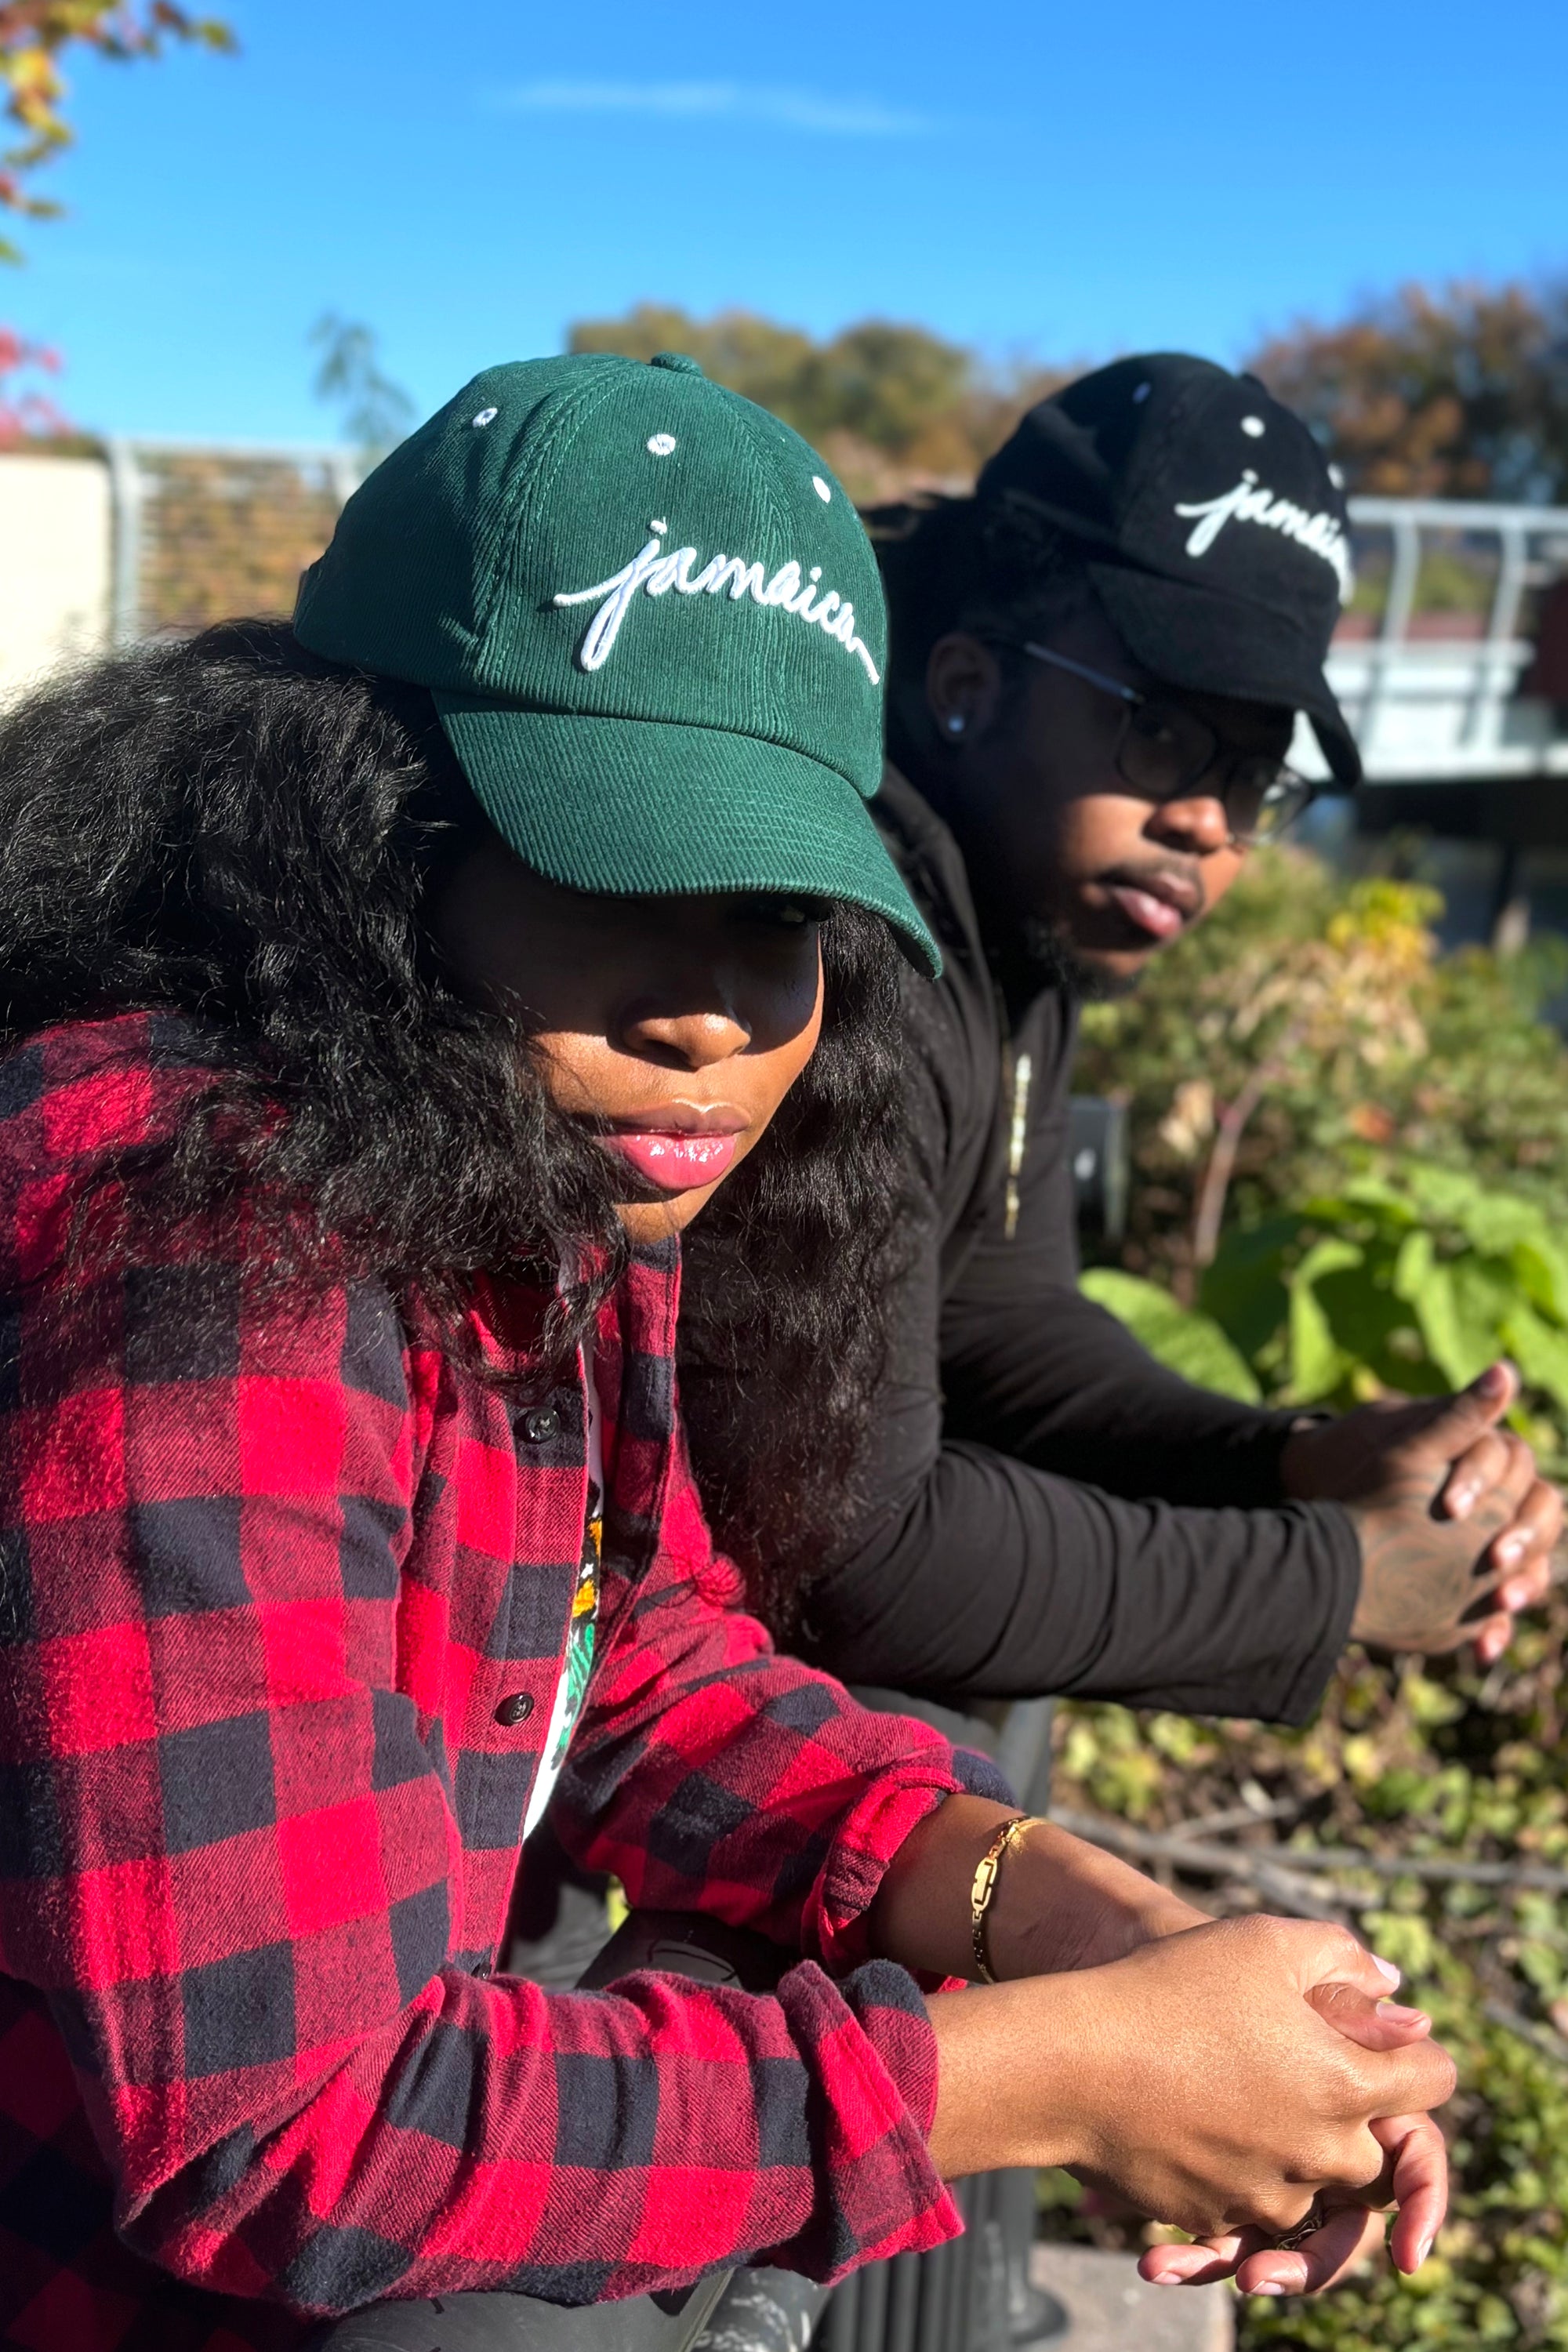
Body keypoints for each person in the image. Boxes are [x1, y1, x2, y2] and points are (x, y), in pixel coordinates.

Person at [0, 353, 1455, 2346]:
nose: (713, 1015)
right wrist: (1049, 2074)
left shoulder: (537, 1158)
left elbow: (629, 1661)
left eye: (777, 915)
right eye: (609, 864)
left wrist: (1047, 1900)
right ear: (335, 823)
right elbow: (285, 2128)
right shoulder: (187, 1251)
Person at [719, 354, 1560, 1719]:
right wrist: (1335, 1578)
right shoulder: (841, 947)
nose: (1210, 826)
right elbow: (853, 1553)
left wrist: (1304, 1459)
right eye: (1162, 730)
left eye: (1252, 773)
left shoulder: (1021, 920)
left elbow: (1006, 1310)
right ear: (967, 681)